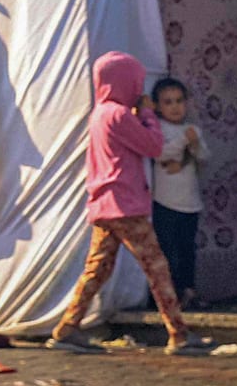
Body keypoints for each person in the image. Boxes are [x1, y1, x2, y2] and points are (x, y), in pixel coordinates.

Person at [49, 52, 213, 355]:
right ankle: (178, 333)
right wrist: (148, 115)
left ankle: (67, 329)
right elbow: (153, 146)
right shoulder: (118, 114)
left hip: (104, 204)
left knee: (96, 270)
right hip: (125, 204)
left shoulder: (99, 113)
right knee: (157, 268)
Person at [150, 75, 204, 305]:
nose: (175, 106)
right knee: (167, 250)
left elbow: (205, 157)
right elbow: (160, 153)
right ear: (158, 106)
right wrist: (184, 142)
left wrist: (195, 144)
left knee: (187, 249)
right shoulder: (157, 128)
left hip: (190, 201)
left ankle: (189, 290)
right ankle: (169, 295)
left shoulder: (191, 129)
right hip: (165, 201)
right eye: (168, 102)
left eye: (179, 101)